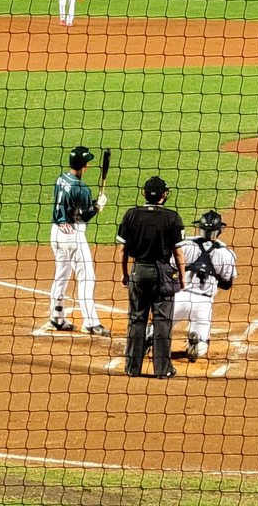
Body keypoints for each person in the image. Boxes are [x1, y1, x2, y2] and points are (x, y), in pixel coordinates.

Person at [144, 210, 238, 361]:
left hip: (179, 297)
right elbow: (227, 284)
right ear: (220, 230)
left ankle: (150, 335)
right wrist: (212, 276)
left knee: (161, 324)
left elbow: (171, 267)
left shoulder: (185, 245)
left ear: (200, 228)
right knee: (202, 347)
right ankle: (196, 344)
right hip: (203, 303)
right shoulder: (226, 254)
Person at [116, 176, 186, 379]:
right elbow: (178, 253)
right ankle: (163, 370)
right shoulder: (172, 217)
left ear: (144, 193)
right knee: (162, 321)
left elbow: (122, 250)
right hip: (162, 274)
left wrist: (124, 274)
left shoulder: (131, 215)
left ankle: (132, 368)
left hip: (138, 271)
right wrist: (182, 278)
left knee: (136, 319)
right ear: (164, 195)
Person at [47, 146, 110, 337]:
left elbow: (73, 207)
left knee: (61, 275)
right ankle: (90, 322)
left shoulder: (61, 178)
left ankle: (56, 318)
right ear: (84, 165)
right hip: (73, 237)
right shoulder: (82, 189)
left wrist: (93, 204)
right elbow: (83, 216)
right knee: (87, 278)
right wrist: (97, 207)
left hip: (56, 233)